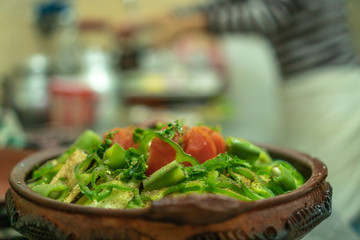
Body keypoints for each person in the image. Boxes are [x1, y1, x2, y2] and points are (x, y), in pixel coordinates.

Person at [122, 0, 360, 227]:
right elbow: (234, 4)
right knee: (309, 196)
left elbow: (267, 14)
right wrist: (160, 20)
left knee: (325, 200)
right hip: (309, 85)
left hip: (328, 86)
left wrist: (186, 24)